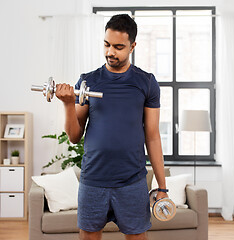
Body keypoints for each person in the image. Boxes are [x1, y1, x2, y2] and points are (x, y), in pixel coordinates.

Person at [55, 14, 168, 240]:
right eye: (106, 44)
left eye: (118, 47)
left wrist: (162, 187)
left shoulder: (146, 82)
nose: (110, 52)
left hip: (132, 182)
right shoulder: (88, 81)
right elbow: (75, 136)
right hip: (93, 181)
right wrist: (68, 104)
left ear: (132, 46)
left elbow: (153, 137)